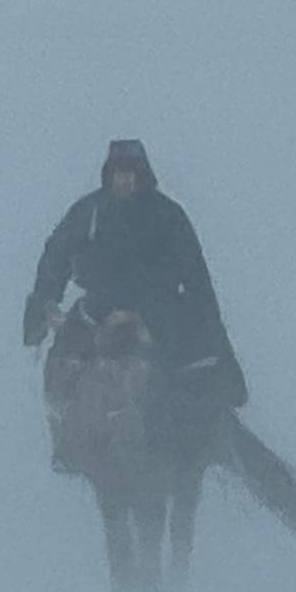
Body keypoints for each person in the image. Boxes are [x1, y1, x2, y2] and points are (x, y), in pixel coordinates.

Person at [23, 139, 247, 472]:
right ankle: (68, 444)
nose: (124, 180)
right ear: (108, 174)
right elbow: (56, 255)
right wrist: (43, 300)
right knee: (62, 363)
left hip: (161, 312)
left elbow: (197, 278)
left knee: (187, 370)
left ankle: (194, 439)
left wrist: (218, 347)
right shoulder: (89, 212)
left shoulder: (168, 216)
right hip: (97, 309)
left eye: (131, 173)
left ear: (143, 174)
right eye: (118, 173)